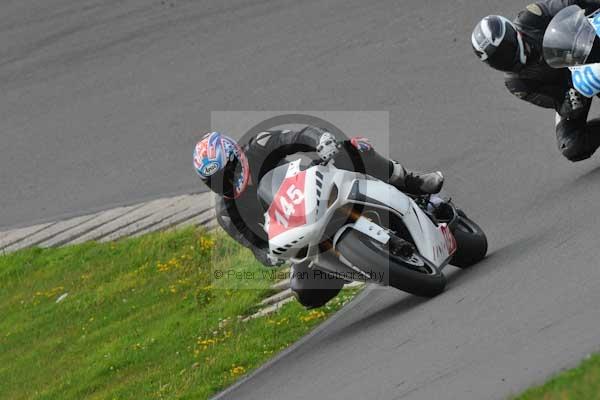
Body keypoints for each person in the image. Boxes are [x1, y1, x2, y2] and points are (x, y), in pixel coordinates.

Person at [193, 127, 444, 308]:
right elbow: (255, 245)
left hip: (316, 186)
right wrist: (269, 254)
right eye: (215, 180)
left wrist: (320, 140)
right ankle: (354, 264)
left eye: (227, 171)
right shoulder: (227, 214)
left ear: (237, 154)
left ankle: (410, 180)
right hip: (303, 234)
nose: (225, 180)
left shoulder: (258, 145)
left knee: (355, 148)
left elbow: (295, 136)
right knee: (305, 293)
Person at [471, 1, 600, 162]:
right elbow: (556, 101)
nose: (506, 59)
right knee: (571, 145)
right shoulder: (517, 84)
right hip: (574, 86)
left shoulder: (531, 17)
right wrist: (570, 104)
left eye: (505, 50)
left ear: (512, 33)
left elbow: (569, 1)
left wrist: (593, 9)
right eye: (498, 59)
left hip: (586, 47)